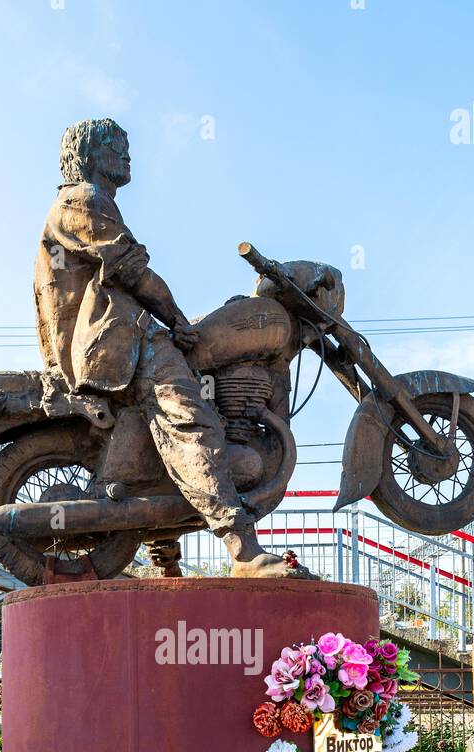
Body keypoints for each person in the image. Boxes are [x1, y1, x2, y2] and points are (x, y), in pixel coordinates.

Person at [34, 117, 297, 578]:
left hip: (115, 339)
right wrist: (176, 320)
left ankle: (165, 556)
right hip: (117, 341)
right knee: (192, 422)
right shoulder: (82, 200)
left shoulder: (86, 203)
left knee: (178, 416)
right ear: (92, 154)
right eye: (118, 145)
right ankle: (242, 549)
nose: (128, 155)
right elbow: (131, 271)